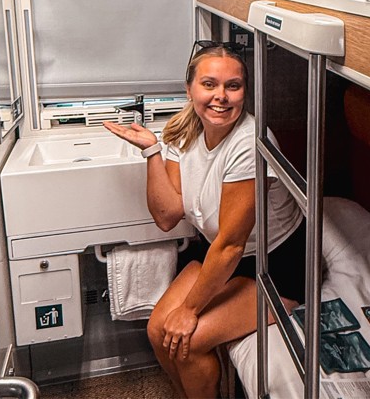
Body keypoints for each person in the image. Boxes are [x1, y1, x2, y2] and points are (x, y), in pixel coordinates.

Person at [103, 41, 305, 399]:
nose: (221, 97)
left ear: (245, 91)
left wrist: (191, 311)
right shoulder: (185, 131)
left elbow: (231, 244)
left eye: (233, 86)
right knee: (157, 331)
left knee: (188, 340)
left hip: (273, 266)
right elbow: (167, 216)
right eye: (209, 84)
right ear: (190, 89)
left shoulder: (250, 143)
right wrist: (152, 151)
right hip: (222, 256)